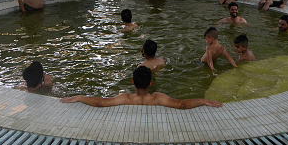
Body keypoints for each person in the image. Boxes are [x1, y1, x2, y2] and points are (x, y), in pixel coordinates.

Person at [60, 65, 223, 109]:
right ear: (151, 83)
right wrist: (203, 100)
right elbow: (181, 104)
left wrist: (79, 97)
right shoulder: (157, 98)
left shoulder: (126, 98)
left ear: (132, 82)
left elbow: (99, 102)